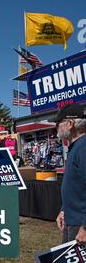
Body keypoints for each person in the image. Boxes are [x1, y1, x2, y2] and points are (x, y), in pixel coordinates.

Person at [49, 103, 86, 246]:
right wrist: (64, 210)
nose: (56, 127)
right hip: (72, 220)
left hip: (80, 224)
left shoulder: (83, 148)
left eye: (58, 123)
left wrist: (85, 227)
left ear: (70, 123)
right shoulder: (76, 147)